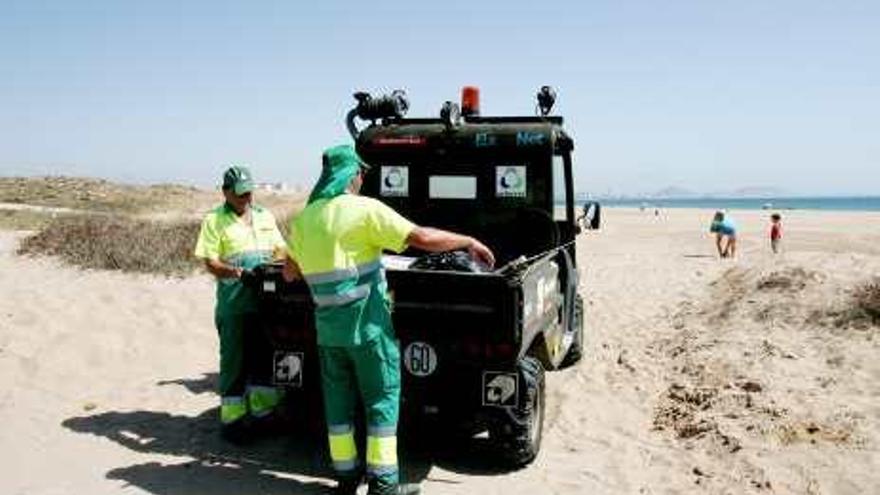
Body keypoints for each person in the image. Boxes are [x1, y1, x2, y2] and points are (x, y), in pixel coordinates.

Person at [283, 145, 494, 495]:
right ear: (351, 175)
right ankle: (382, 486)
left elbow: (290, 274)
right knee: (381, 401)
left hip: (329, 335)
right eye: (361, 172)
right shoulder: (364, 210)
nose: (363, 177)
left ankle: (346, 478)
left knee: (338, 408)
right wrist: (467, 240)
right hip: (368, 331)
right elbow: (421, 238)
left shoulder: (305, 220)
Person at [194, 165, 287, 442]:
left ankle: (263, 415)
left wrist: (272, 264)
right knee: (234, 362)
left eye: (249, 192)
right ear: (225, 192)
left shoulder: (265, 216)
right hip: (234, 304)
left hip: (266, 303)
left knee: (263, 358)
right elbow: (210, 261)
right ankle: (232, 421)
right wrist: (238, 273)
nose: (246, 198)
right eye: (239, 194)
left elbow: (280, 247)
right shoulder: (214, 220)